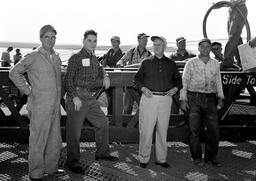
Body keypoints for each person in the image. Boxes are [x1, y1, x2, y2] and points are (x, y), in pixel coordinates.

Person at [9, 25, 65, 181]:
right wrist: (27, 91)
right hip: (39, 106)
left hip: (55, 106)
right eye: (47, 37)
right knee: (38, 141)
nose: (50, 40)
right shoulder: (33, 56)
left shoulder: (56, 57)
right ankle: (35, 173)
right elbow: (14, 72)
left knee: (55, 140)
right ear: (41, 38)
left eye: (53, 37)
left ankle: (51, 169)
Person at [64, 29, 118, 175]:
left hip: (89, 97)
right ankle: (72, 162)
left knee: (103, 122)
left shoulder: (94, 58)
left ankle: (102, 154)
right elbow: (68, 79)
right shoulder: (76, 57)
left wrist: (106, 75)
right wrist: (74, 96)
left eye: (95, 41)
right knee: (74, 132)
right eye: (89, 40)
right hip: (77, 96)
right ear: (83, 41)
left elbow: (101, 70)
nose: (92, 43)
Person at [134, 36, 182, 169]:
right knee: (146, 130)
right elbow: (136, 80)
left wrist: (175, 89)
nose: (156, 47)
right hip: (149, 99)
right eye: (154, 45)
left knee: (162, 130)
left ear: (165, 46)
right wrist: (143, 88)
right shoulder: (146, 62)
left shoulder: (171, 63)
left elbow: (179, 80)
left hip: (165, 99)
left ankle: (161, 159)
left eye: (159, 45)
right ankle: (143, 159)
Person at [180, 38, 224, 167]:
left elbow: (218, 81)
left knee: (214, 129)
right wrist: (183, 99)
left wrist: (220, 97)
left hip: (210, 99)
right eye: (202, 46)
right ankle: (197, 157)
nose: (205, 49)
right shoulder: (191, 63)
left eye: (207, 46)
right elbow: (184, 81)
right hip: (193, 98)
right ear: (198, 48)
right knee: (194, 130)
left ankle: (211, 157)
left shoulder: (215, 63)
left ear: (210, 48)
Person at [116, 33, 151, 114]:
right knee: (128, 105)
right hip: (130, 82)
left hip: (143, 83)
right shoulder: (131, 52)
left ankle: (140, 123)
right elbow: (121, 60)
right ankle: (126, 123)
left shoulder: (149, 54)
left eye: (146, 40)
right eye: (143, 39)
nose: (145, 41)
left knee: (143, 105)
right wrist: (120, 65)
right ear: (138, 40)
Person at [169, 37, 196, 114]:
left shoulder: (192, 55)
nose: (182, 44)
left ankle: (190, 122)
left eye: (184, 42)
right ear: (177, 44)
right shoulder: (172, 56)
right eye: (180, 43)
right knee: (174, 106)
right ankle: (173, 122)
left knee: (190, 107)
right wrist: (185, 62)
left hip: (189, 85)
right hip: (176, 85)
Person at [218, 0, 247, 69]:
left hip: (239, 8)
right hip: (233, 9)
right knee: (236, 37)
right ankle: (242, 62)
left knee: (233, 36)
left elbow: (235, 2)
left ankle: (227, 63)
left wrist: (221, 4)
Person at [101, 36, 124, 114]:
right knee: (109, 97)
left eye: (115, 42)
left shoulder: (121, 53)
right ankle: (110, 115)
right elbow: (104, 63)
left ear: (119, 43)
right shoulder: (109, 51)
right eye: (112, 42)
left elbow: (120, 66)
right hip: (108, 76)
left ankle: (113, 115)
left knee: (114, 98)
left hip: (116, 78)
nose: (113, 43)